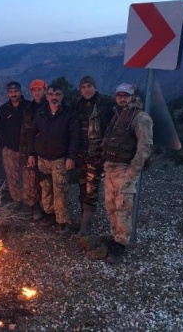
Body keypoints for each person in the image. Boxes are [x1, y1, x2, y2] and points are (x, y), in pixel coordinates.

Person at [102, 83, 153, 264]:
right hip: (111, 169)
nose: (122, 98)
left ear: (133, 96)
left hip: (125, 169)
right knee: (110, 205)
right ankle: (116, 236)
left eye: (126, 95)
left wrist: (133, 169)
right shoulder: (118, 115)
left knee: (123, 207)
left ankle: (121, 245)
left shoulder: (140, 117)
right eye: (119, 95)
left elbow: (145, 146)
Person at [27, 84, 80, 236]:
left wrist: (71, 157)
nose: (54, 97)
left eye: (57, 94)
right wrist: (31, 154)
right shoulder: (41, 112)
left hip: (60, 158)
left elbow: (75, 136)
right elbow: (32, 133)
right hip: (42, 157)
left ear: (62, 96)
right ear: (47, 96)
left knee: (60, 190)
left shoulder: (69, 113)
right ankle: (49, 214)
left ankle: (62, 222)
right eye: (51, 94)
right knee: (46, 188)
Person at [73, 75, 114, 237]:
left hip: (97, 155)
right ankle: (83, 219)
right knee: (82, 186)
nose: (86, 89)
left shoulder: (106, 103)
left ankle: (86, 226)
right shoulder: (77, 104)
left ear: (95, 87)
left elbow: (118, 123)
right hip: (80, 154)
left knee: (92, 189)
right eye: (83, 87)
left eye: (89, 86)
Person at [0, 81, 30, 207]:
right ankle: (17, 201)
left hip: (26, 149)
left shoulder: (28, 106)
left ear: (20, 92)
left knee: (28, 178)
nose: (13, 94)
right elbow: (0, 128)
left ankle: (29, 202)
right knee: (12, 177)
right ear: (8, 94)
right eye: (11, 92)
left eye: (15, 91)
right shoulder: (4, 109)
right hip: (9, 150)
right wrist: (4, 145)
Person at [19, 79, 47, 219]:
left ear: (45, 90)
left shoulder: (50, 107)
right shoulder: (28, 109)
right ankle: (34, 206)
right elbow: (25, 133)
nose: (37, 92)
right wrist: (26, 153)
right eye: (34, 90)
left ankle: (48, 210)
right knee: (31, 180)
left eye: (39, 89)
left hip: (47, 151)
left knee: (46, 181)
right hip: (31, 150)